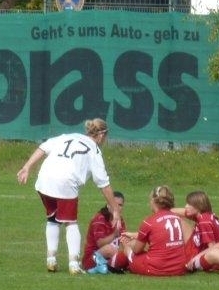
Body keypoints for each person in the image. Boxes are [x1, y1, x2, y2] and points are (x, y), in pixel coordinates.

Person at [16, 118, 121, 275]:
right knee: (71, 223)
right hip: (65, 181)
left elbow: (43, 148)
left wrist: (27, 167)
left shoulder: (67, 136)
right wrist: (115, 209)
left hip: (44, 178)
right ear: (101, 135)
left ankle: (51, 260)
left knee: (52, 219)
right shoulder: (94, 150)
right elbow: (104, 184)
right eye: (106, 137)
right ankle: (73, 264)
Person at [120, 185, 188, 276]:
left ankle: (111, 266)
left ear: (153, 201)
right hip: (180, 267)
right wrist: (133, 235)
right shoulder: (177, 218)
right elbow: (162, 235)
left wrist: (125, 245)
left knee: (129, 249)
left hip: (157, 268)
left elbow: (137, 250)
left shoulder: (149, 222)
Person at [171, 191, 219, 272]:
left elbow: (213, 248)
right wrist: (166, 211)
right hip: (197, 249)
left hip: (196, 255)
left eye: (189, 204)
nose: (186, 206)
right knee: (171, 215)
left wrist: (194, 260)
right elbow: (175, 211)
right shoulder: (206, 215)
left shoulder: (204, 221)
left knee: (175, 219)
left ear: (198, 206)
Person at [82, 191, 126, 274]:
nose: (117, 207)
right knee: (109, 249)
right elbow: (100, 244)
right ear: (108, 204)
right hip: (93, 258)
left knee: (130, 248)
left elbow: (124, 239)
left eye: (120, 205)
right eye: (115, 204)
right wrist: (114, 234)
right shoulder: (100, 219)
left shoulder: (120, 220)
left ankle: (114, 265)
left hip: (110, 256)